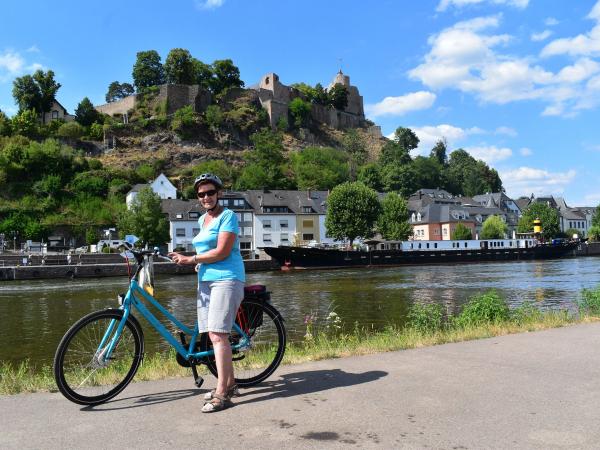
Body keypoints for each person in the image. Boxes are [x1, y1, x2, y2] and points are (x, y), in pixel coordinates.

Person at [168, 173, 245, 413]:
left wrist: (192, 258)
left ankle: (222, 392)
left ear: (219, 193)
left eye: (210, 192)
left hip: (227, 278)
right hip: (206, 281)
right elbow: (206, 250)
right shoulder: (203, 220)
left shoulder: (228, 216)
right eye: (201, 194)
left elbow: (222, 252)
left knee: (218, 334)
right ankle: (230, 383)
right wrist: (198, 262)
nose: (206, 197)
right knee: (213, 334)